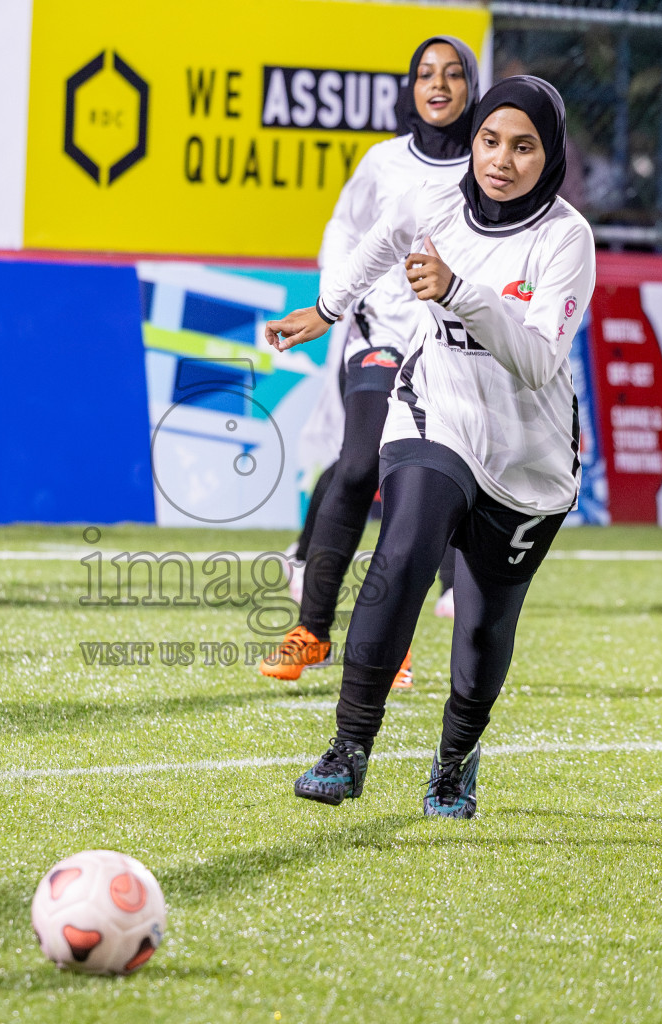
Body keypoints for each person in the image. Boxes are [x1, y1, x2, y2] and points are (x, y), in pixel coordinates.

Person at [264, 76, 595, 818]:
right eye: (489, 140)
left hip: (525, 460)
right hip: (433, 413)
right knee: (403, 550)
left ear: (551, 155)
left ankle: (454, 762)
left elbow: (541, 360)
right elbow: (379, 241)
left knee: (481, 627)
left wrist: (458, 292)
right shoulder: (435, 202)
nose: (501, 160)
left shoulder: (566, 237)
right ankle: (348, 749)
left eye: (523, 146)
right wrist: (325, 310)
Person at [260, 36, 480, 689]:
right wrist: (336, 301)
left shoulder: (484, 166)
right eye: (424, 75)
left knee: (414, 487)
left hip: (443, 349)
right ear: (410, 89)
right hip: (377, 331)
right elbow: (346, 231)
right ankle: (312, 631)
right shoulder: (384, 162)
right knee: (358, 468)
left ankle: (389, 643)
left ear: (472, 86)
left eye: (451, 75)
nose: (436, 85)